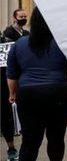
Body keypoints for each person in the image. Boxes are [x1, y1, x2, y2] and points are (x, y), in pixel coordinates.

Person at [6, 7, 67, 161]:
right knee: (56, 140)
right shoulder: (61, 44)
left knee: (29, 141)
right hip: (58, 94)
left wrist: (12, 94)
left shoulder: (19, 44)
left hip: (29, 95)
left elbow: (11, 75)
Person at [0, 9, 28, 161]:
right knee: (6, 114)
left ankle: (25, 145)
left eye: (25, 16)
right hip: (5, 80)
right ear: (14, 18)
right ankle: (11, 147)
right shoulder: (7, 34)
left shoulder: (26, 35)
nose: (23, 18)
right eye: (21, 16)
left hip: (23, 78)